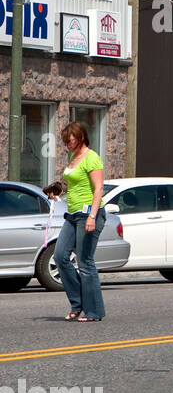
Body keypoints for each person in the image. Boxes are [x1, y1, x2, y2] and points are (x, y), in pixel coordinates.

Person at [53, 122, 106, 322]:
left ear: (81, 137)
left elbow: (99, 188)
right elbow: (72, 184)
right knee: (60, 256)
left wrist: (92, 216)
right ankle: (79, 302)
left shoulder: (92, 158)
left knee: (85, 262)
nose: (67, 143)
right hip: (73, 214)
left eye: (70, 140)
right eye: (65, 141)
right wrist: (58, 190)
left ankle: (93, 311)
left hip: (88, 215)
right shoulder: (73, 158)